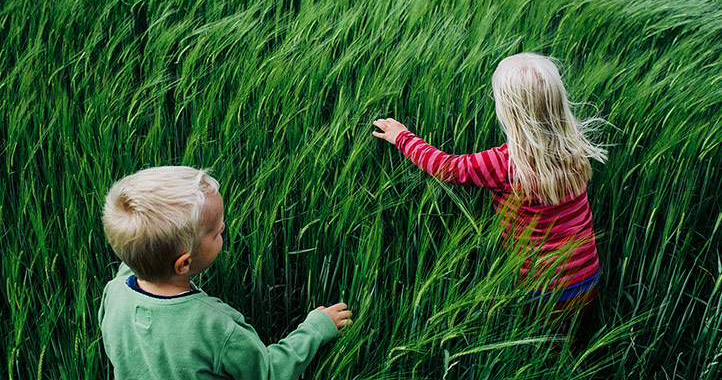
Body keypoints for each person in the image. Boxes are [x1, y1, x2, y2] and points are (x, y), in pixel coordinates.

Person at [372, 52, 607, 324]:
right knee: (568, 338)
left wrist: (402, 137)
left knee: (542, 345)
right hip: (588, 277)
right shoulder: (575, 145)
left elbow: (446, 167)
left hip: (541, 289)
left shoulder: (505, 163)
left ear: (508, 111)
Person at [98, 166, 352, 379]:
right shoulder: (214, 325)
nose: (224, 227)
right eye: (216, 232)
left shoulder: (115, 290)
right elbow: (269, 371)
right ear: (183, 264)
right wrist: (316, 329)